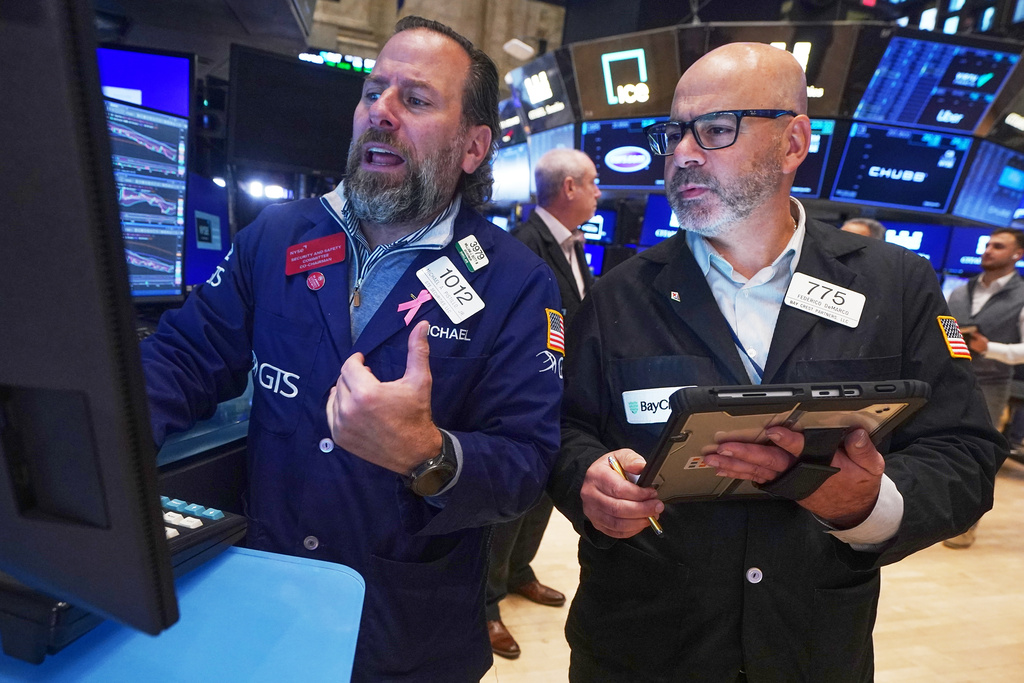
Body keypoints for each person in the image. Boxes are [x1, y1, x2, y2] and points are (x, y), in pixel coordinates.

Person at [547, 42, 1004, 682]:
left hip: (812, 646)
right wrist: (587, 481)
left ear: (794, 142)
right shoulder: (619, 293)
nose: (683, 153)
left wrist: (867, 504)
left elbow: (963, 450)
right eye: (673, 134)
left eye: (716, 129)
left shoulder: (896, 285)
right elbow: (564, 429)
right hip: (641, 644)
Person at [140, 16, 563, 681]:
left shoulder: (515, 281)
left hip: (404, 633)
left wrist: (427, 452)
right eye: (372, 92)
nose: (380, 112)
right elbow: (183, 358)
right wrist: (90, 442)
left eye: (414, 99)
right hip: (264, 602)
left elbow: (526, 465)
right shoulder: (276, 237)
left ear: (473, 146)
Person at [483, 148, 600, 659]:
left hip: (561, 397)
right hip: (523, 400)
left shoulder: (573, 244)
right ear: (569, 187)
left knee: (543, 497)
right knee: (510, 505)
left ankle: (518, 572)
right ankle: (486, 604)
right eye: (593, 183)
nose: (599, 193)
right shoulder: (522, 244)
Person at [944, 227, 1024, 548]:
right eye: (988, 245)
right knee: (940, 446)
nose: (988, 250)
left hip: (992, 384)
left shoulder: (1021, 295)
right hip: (950, 378)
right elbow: (945, 329)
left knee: (979, 454)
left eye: (998, 246)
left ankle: (967, 523)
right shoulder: (960, 291)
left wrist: (989, 347)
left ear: (1017, 254)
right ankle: (938, 516)